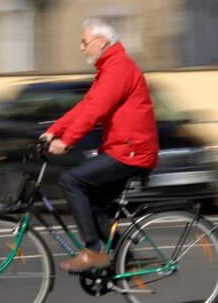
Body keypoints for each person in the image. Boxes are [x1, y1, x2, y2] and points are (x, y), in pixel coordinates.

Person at [42, 17, 160, 272]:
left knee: (70, 180)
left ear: (102, 41)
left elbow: (96, 110)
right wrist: (53, 131)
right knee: (93, 201)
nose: (81, 47)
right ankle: (123, 257)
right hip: (123, 149)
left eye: (84, 42)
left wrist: (67, 140)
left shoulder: (119, 69)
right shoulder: (110, 68)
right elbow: (85, 106)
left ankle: (94, 251)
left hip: (132, 151)